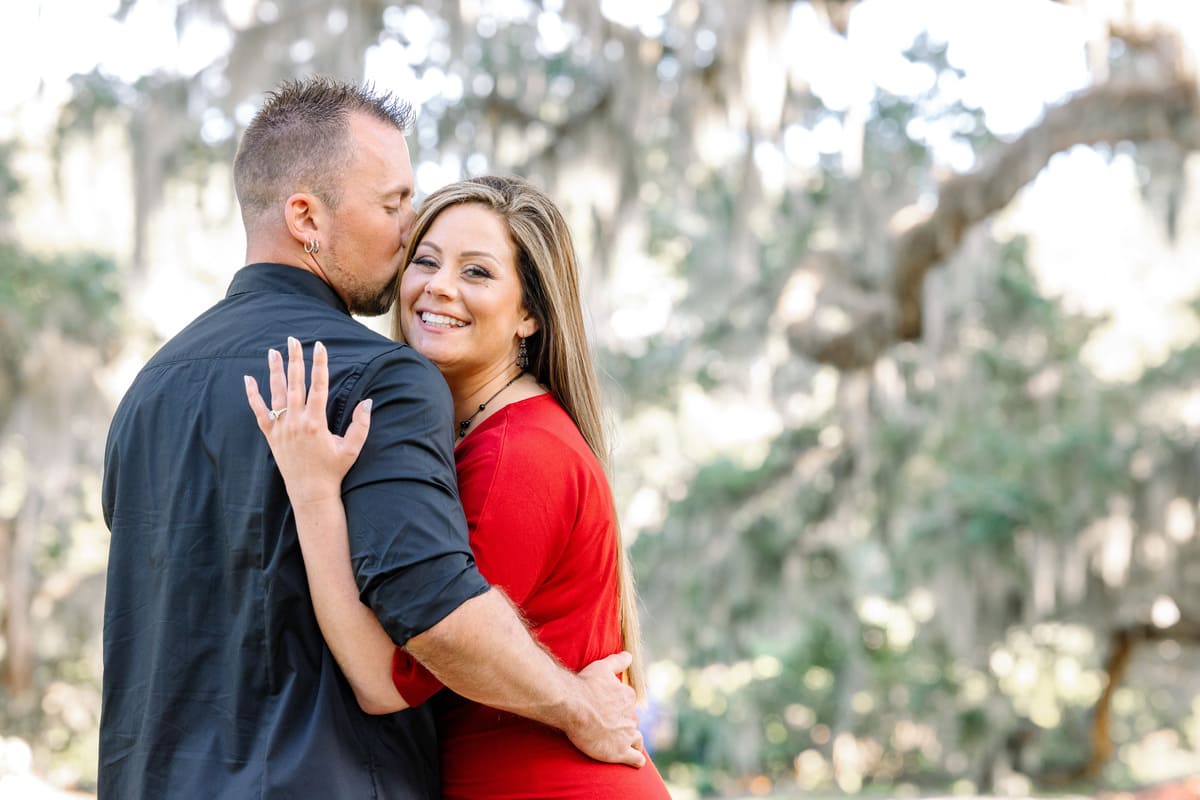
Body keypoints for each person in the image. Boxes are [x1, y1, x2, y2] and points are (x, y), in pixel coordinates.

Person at [100, 78, 643, 800]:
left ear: (529, 315)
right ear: (306, 218)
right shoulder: (378, 376)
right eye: (394, 206)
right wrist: (581, 706)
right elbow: (433, 618)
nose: (407, 231)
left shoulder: (150, 389)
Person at [243, 175, 672, 798]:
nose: (438, 286)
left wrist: (312, 491)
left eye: (477, 272)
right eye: (426, 260)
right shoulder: (482, 438)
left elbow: (386, 679)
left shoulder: (515, 455)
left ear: (529, 314)